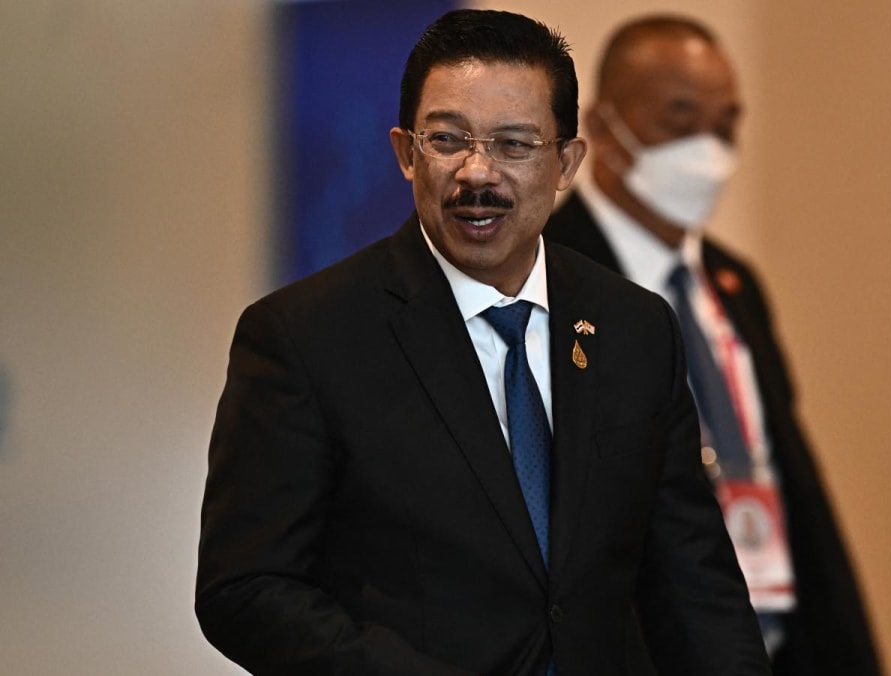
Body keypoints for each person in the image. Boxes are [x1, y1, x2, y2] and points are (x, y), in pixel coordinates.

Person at [195, 9, 770, 676]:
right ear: (406, 153)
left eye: (513, 144)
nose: (477, 173)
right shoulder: (305, 336)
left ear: (566, 162)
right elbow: (245, 588)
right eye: (447, 140)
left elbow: (696, 584)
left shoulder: (634, 329)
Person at [543, 15, 883, 676]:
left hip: (769, 641)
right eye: (680, 119)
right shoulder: (551, 278)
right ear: (604, 129)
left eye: (725, 124)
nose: (708, 148)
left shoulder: (734, 284)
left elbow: (787, 476)